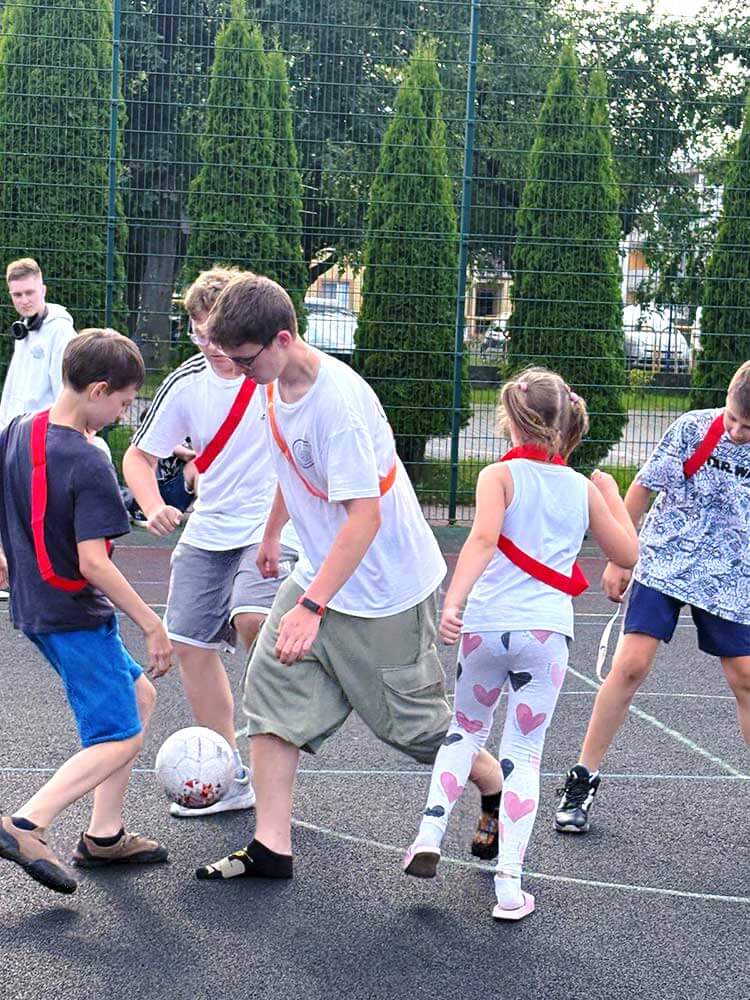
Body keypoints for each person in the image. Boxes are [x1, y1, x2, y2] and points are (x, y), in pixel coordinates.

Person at [194, 273, 502, 882]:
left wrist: (311, 607)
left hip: (385, 588)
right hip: (323, 571)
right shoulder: (273, 384)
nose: (239, 371)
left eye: (245, 359)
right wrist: (273, 533)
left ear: (283, 339)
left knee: (412, 728)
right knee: (270, 693)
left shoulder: (338, 406)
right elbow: (292, 467)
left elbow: (365, 518)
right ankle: (270, 847)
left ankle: (494, 782)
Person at [402, 368, 639, 921]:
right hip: (545, 634)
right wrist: (609, 493)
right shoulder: (581, 489)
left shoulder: (498, 476)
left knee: (465, 732)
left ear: (511, 419)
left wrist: (454, 601)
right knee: (524, 754)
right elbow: (627, 554)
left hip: (487, 627)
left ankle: (429, 834)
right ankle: (509, 886)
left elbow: (483, 539)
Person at [0, 329, 172, 895]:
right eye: (122, 402)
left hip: (35, 608)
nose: (122, 414)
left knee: (140, 697)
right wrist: (151, 622)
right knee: (121, 737)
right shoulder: (89, 460)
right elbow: (93, 563)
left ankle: (104, 835)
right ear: (98, 389)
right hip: (74, 614)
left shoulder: (19, 430)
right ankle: (26, 823)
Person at [123, 267, 299, 818]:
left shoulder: (272, 374)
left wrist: (278, 528)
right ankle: (232, 772)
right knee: (188, 643)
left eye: (217, 335)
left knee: (253, 621)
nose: (211, 347)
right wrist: (153, 504)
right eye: (200, 335)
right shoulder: (187, 383)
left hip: (271, 524)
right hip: (210, 527)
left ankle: (276, 751)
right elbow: (138, 456)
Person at [555, 361, 750, 835]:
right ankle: (582, 778)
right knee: (630, 665)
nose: (736, 431)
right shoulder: (692, 429)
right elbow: (642, 489)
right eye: (732, 418)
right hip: (665, 557)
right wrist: (620, 558)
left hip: (730, 570)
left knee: (745, 676)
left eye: (748, 427)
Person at [0, 258, 76, 428]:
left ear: (43, 291)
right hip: (16, 430)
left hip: (42, 432)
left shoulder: (60, 331)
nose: (24, 300)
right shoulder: (23, 327)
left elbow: (65, 393)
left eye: (30, 292)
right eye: (17, 295)